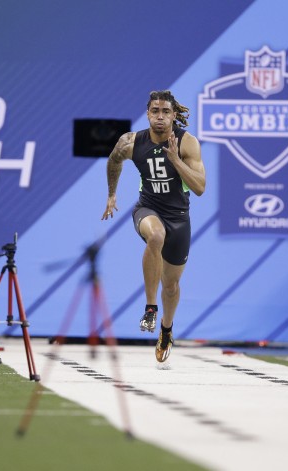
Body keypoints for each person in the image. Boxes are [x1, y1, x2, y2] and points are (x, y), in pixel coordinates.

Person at [101, 90, 206, 362]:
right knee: (156, 236)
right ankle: (150, 308)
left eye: (166, 112)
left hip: (179, 217)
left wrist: (175, 160)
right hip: (147, 209)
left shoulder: (187, 143)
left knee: (171, 286)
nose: (160, 117)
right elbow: (113, 161)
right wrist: (112, 194)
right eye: (155, 111)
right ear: (148, 114)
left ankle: (167, 330)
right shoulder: (131, 142)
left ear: (173, 116)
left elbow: (200, 188)